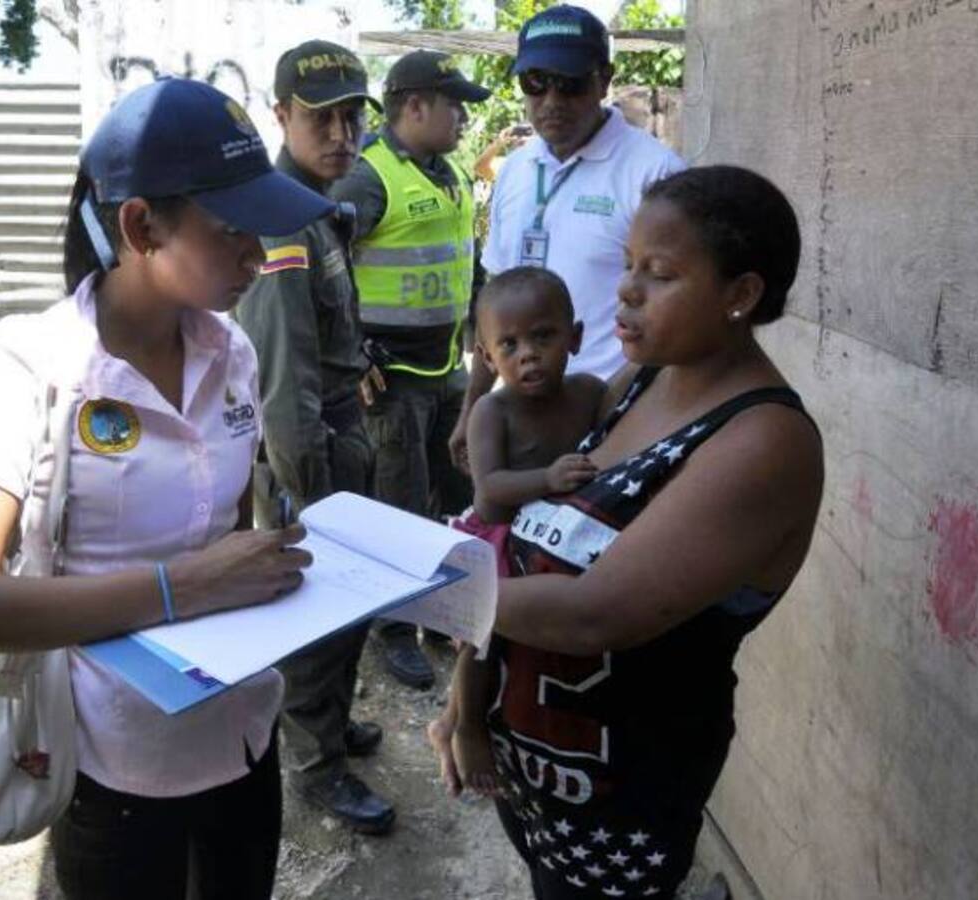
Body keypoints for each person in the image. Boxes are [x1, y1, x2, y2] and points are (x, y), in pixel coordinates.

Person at [0, 77, 329, 899]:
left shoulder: (231, 351)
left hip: (244, 729)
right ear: (141, 225)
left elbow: (227, 536)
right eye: (234, 232)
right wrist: (185, 587)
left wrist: (267, 571)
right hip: (117, 760)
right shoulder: (31, 364)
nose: (259, 257)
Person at [430, 166, 825, 899]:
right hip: (533, 763)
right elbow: (532, 538)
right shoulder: (640, 383)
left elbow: (594, 615)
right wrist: (466, 706)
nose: (627, 291)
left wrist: (420, 589)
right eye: (628, 265)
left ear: (741, 295)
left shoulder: (762, 441)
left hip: (619, 797)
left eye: (661, 273)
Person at [232, 40, 394, 836]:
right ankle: (314, 764)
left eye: (351, 116)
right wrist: (309, 502)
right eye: (318, 118)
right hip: (311, 453)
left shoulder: (311, 205)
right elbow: (283, 379)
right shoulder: (278, 224)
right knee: (316, 618)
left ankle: (333, 727)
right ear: (281, 116)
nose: (340, 134)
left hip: (343, 434)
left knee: (348, 609)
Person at [450, 4, 685, 469]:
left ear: (604, 80)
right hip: (526, 426)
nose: (551, 99)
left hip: (618, 424)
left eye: (570, 81)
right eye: (535, 81)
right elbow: (494, 304)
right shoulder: (516, 169)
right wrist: (473, 404)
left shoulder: (655, 174)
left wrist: (633, 423)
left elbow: (678, 316)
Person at [330, 50, 491, 691]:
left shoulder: (447, 173)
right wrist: (354, 354)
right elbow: (325, 269)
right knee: (395, 507)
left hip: (447, 368)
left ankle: (442, 616)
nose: (461, 119)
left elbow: (463, 265)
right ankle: (392, 630)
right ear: (415, 106)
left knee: (452, 497)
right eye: (453, 105)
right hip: (391, 380)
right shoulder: (367, 179)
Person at [449, 265, 606, 794]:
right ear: (488, 356)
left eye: (544, 336)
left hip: (562, 539)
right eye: (509, 344)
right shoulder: (492, 412)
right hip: (500, 537)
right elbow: (490, 487)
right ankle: (466, 725)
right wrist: (548, 477)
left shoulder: (589, 393)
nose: (528, 354)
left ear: (576, 337)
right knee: (482, 639)